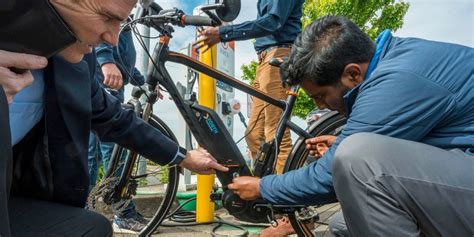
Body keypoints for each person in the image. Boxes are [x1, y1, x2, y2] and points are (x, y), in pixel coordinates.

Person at [228, 16, 474, 236]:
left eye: (320, 96)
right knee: (343, 225)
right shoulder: (394, 60)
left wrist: (263, 187)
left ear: (353, 74)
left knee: (356, 157)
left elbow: (329, 177)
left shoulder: (396, 81)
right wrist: (341, 146)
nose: (321, 106)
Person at [0, 1, 228, 236]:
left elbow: (115, 118)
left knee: (93, 227)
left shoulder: (78, 62)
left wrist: (184, 157)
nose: (112, 39)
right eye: (107, 18)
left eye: (121, 22)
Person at [195, 0, 305, 175]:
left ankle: (283, 196)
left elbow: (272, 22)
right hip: (265, 61)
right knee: (253, 135)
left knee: (275, 133)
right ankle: (263, 185)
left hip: (279, 55)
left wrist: (223, 33)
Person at [87, 29, 149, 231]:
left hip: (110, 85)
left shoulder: (128, 22)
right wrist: (106, 61)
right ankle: (124, 213)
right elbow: (101, 32)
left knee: (92, 152)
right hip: (104, 82)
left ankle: (84, 208)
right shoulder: (118, 14)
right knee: (112, 150)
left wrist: (145, 84)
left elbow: (125, 61)